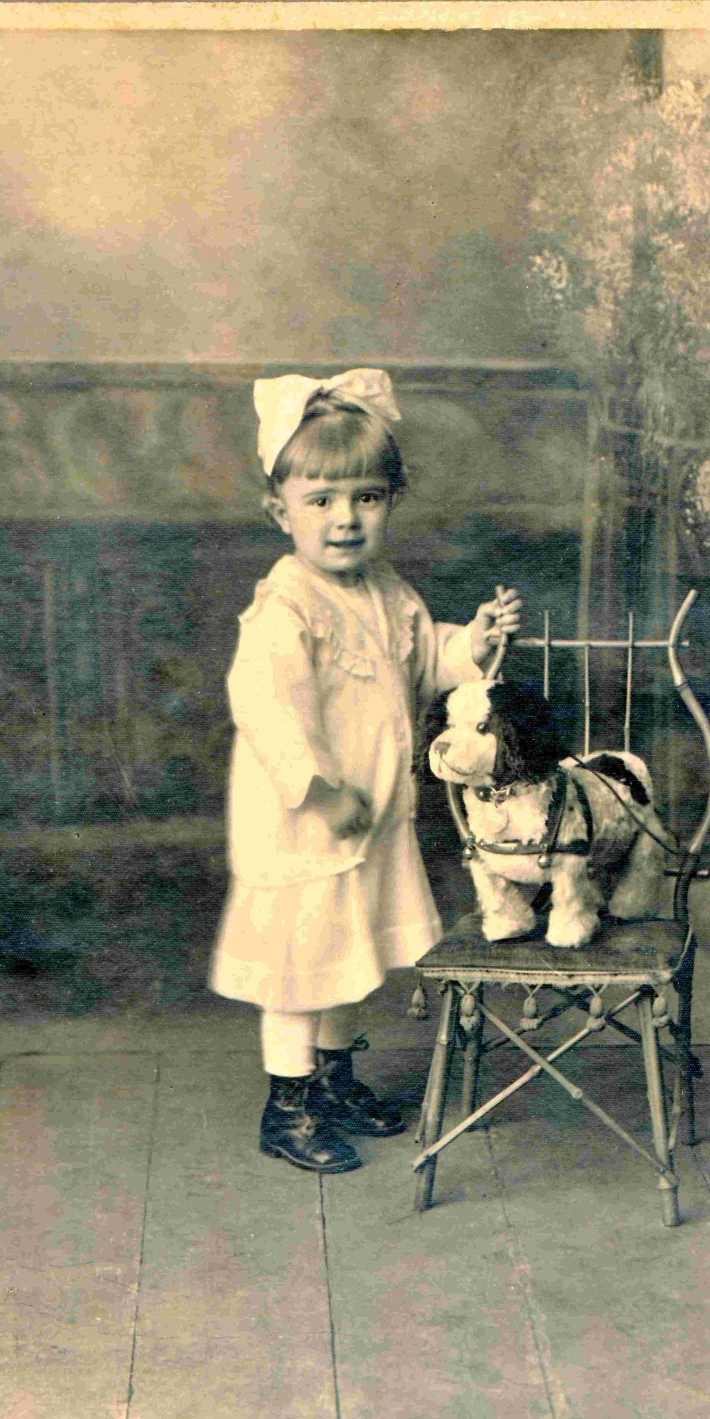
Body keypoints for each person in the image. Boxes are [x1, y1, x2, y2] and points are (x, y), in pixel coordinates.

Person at [209, 368, 522, 1173]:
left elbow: (424, 662)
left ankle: (334, 1081)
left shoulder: (388, 592)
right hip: (309, 822)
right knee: (299, 966)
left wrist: (474, 642)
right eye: (320, 500)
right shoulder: (286, 605)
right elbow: (266, 706)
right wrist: (319, 790)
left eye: (367, 498)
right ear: (280, 511)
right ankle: (288, 1105)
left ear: (391, 502)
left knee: (349, 956)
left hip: (375, 813)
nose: (344, 519)